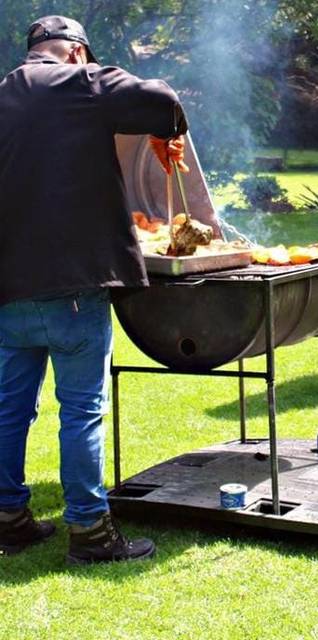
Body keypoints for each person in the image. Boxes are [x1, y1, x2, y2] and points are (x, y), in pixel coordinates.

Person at [0, 16, 188, 563]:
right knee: (81, 410)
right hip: (77, 286)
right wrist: (163, 130)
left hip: (9, 287)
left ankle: (7, 518)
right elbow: (163, 98)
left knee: (9, 411)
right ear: (77, 53)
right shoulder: (82, 81)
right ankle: (89, 530)